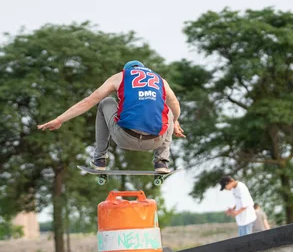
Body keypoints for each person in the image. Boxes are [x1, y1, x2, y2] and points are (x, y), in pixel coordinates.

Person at [37, 60, 185, 172]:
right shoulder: (161, 81)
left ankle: (100, 159)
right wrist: (175, 121)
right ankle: (161, 162)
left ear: (127, 70)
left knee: (105, 101)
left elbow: (89, 101)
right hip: (154, 141)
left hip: (125, 137)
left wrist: (59, 119)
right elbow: (176, 105)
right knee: (169, 111)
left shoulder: (120, 77)